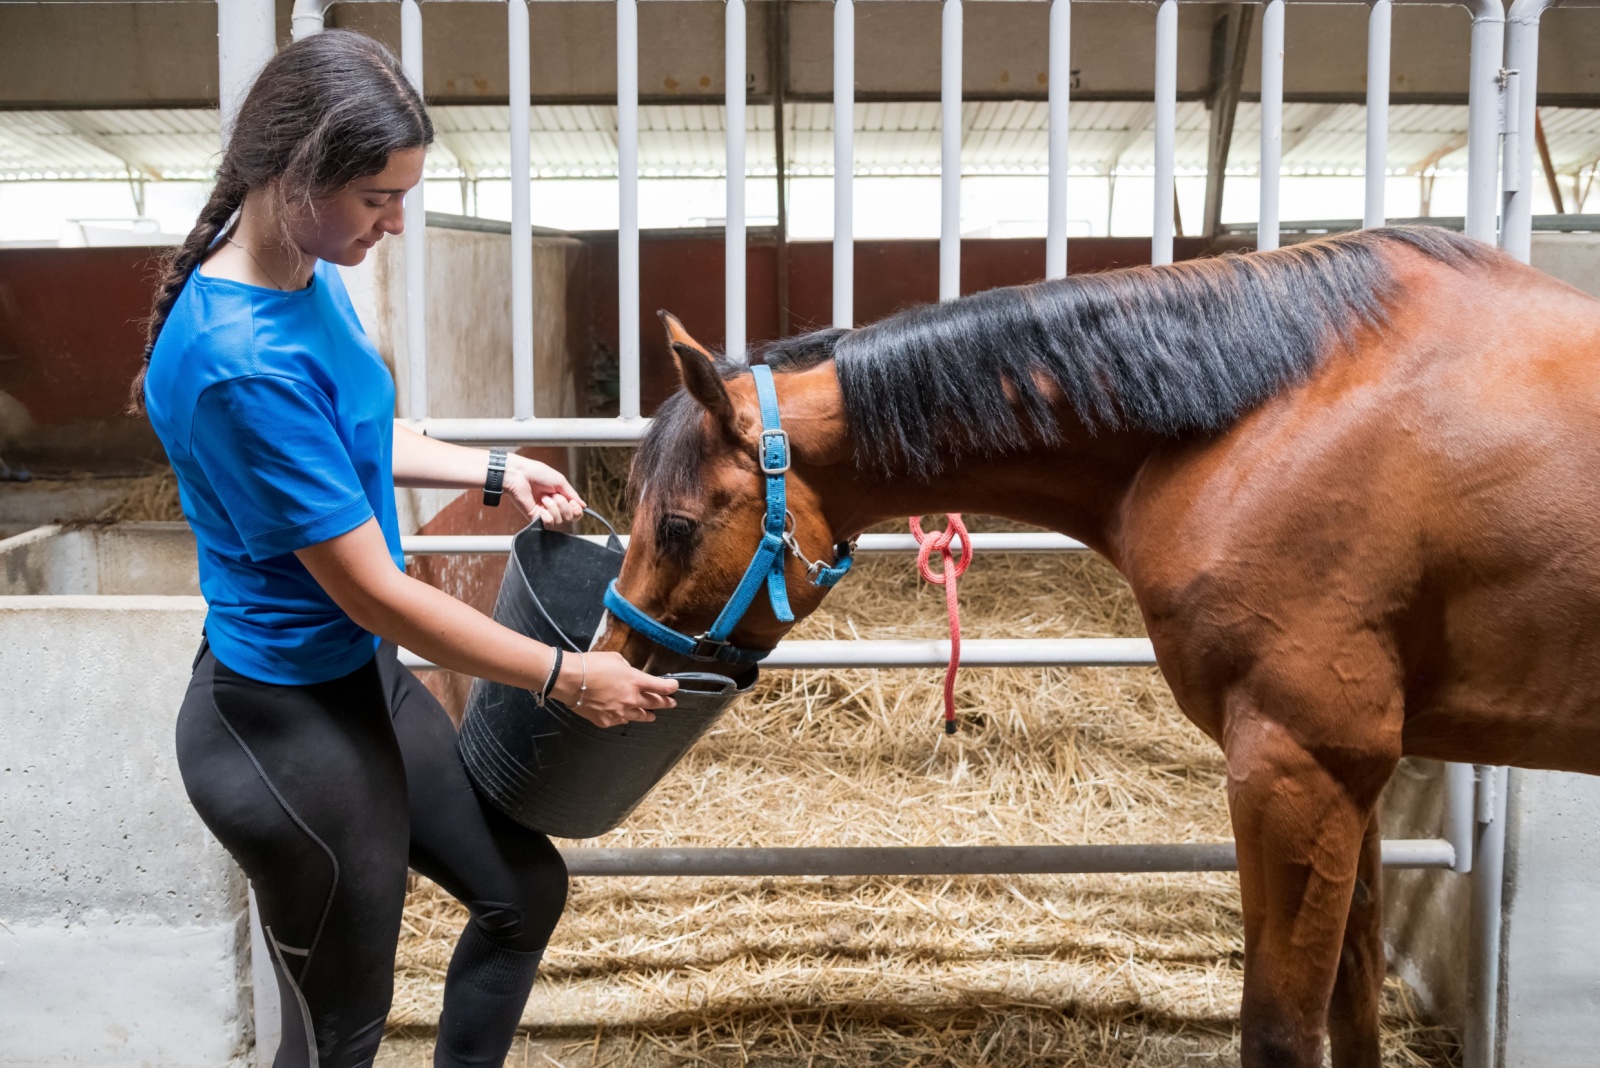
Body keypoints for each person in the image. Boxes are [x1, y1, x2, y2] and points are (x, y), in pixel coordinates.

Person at [130, 30, 679, 1068]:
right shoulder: (234, 357)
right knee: (340, 1037)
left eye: (404, 194)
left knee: (520, 893)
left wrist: (489, 469)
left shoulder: (297, 267)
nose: (395, 220)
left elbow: (340, 435)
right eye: (378, 197)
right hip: (281, 724)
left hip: (356, 683)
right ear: (295, 172)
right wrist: (570, 678)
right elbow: (379, 594)